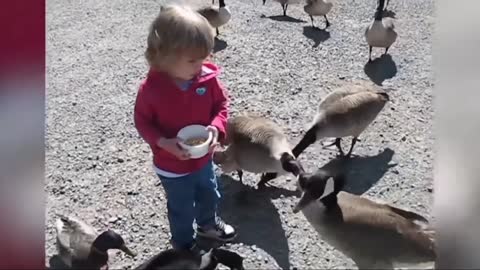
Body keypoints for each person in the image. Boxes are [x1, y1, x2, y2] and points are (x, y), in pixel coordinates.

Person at [133, 4, 236, 253]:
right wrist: (162, 142)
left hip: (203, 160)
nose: (201, 65)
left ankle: (208, 225)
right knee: (180, 206)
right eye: (193, 60)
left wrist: (215, 127)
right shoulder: (152, 90)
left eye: (205, 57)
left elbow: (221, 105)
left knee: (210, 193)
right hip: (171, 165)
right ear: (163, 57)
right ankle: (183, 243)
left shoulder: (206, 80)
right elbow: (142, 122)